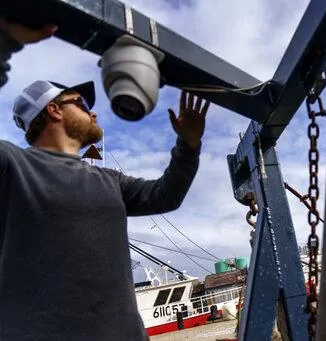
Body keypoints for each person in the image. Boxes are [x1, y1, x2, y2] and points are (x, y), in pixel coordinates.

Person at [0, 76, 210, 340]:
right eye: (82, 103)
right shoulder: (11, 165)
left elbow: (165, 195)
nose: (93, 112)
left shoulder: (111, 180)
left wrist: (188, 146)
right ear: (53, 110)